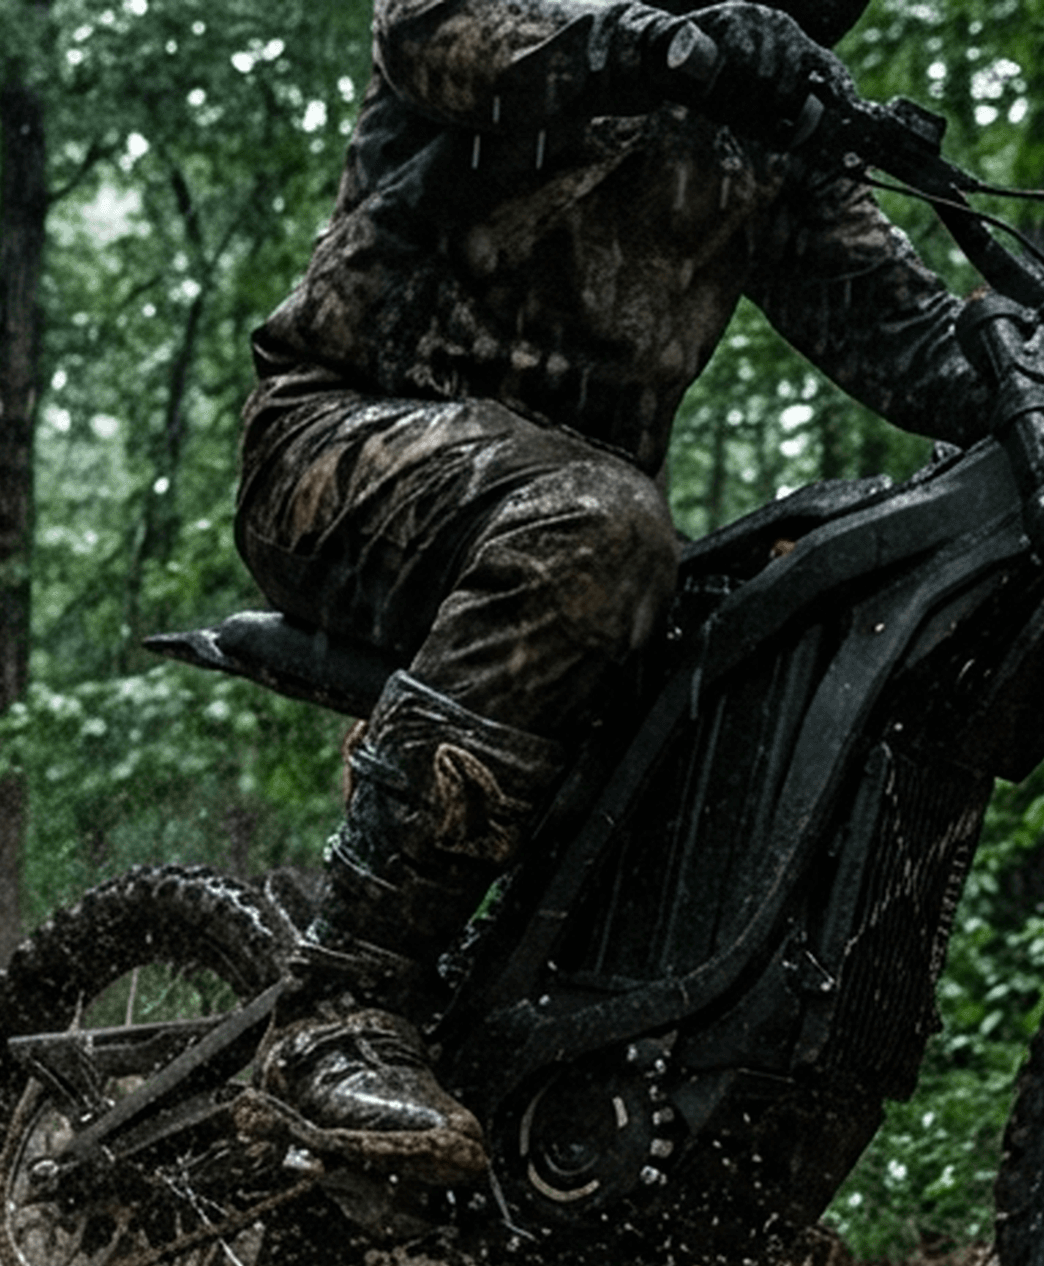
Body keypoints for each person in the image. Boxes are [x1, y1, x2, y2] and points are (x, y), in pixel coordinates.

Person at [235, 0, 992, 1182]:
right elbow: (435, 31)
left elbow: (906, 339)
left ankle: (583, 1074)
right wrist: (661, 49)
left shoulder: (769, 132)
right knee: (602, 527)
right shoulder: (572, 25)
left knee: (749, 630)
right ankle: (336, 1006)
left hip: (569, 522)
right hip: (342, 447)